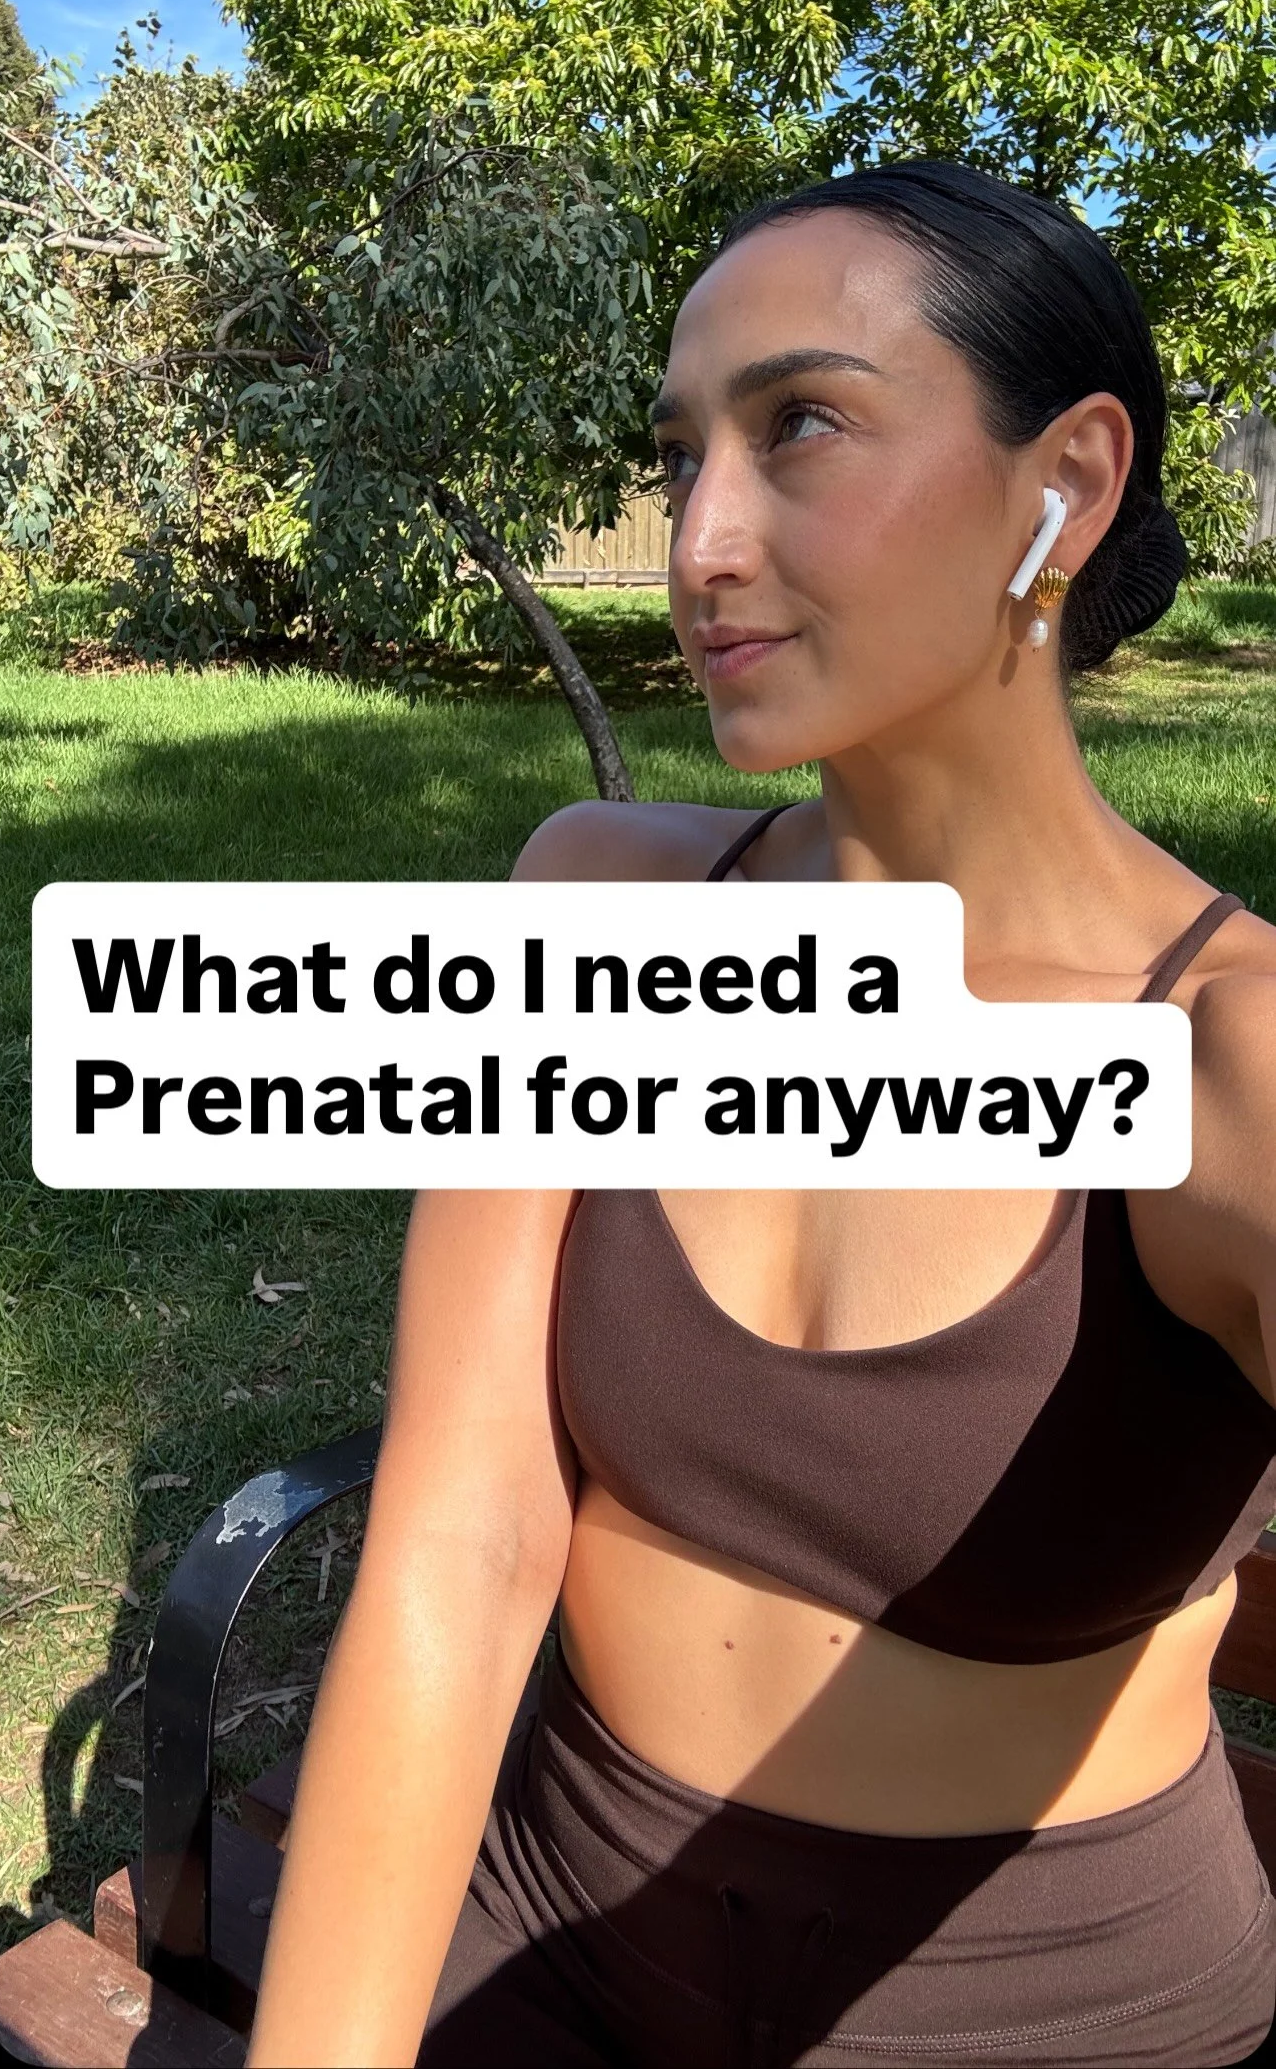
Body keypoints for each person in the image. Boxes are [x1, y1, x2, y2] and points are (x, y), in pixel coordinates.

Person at [246, 162, 1276, 2068]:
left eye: (800, 424)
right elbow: (462, 1544)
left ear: (1065, 482)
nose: (698, 541)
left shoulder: (1230, 1059)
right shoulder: (598, 903)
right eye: (680, 456)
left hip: (1045, 2014)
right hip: (550, 1934)